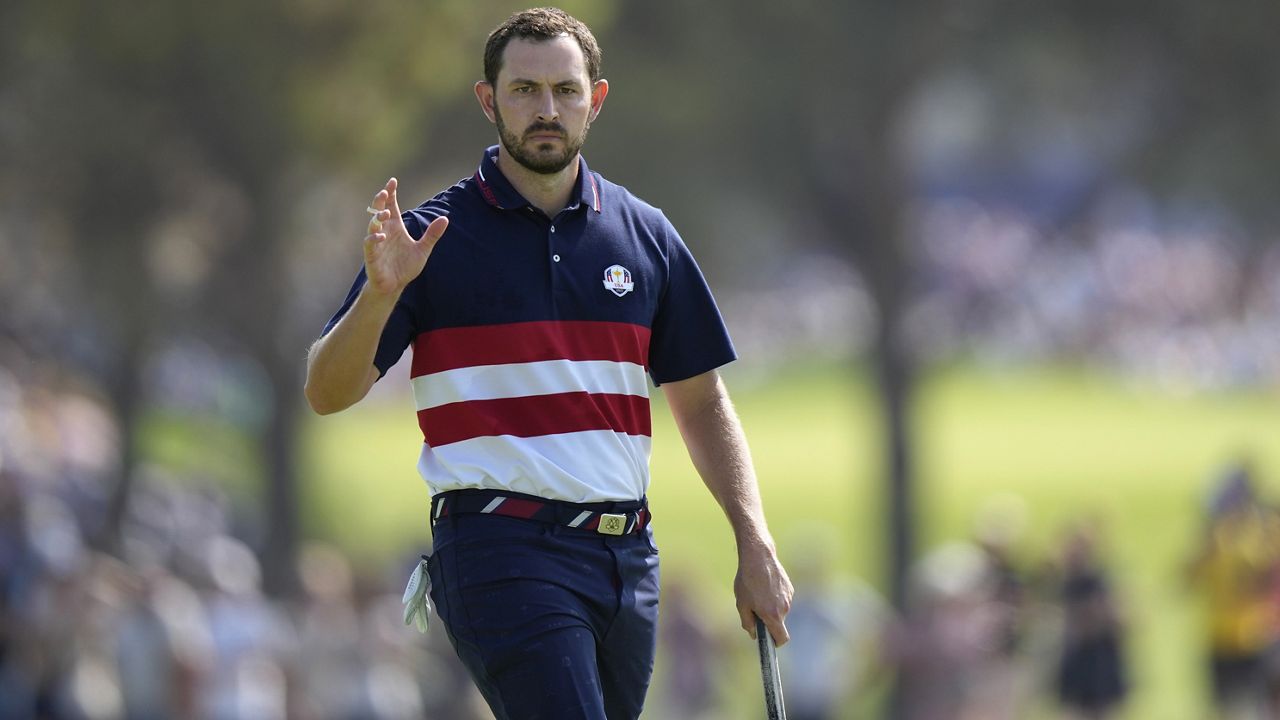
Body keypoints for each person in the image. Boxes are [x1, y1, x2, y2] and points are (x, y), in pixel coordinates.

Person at [302, 8, 793, 720]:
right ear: (488, 100)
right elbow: (326, 390)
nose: (546, 110)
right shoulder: (428, 239)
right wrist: (381, 297)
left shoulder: (645, 234)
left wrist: (755, 540)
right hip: (499, 546)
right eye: (525, 90)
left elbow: (702, 400)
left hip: (627, 558)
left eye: (565, 91)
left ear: (594, 100)